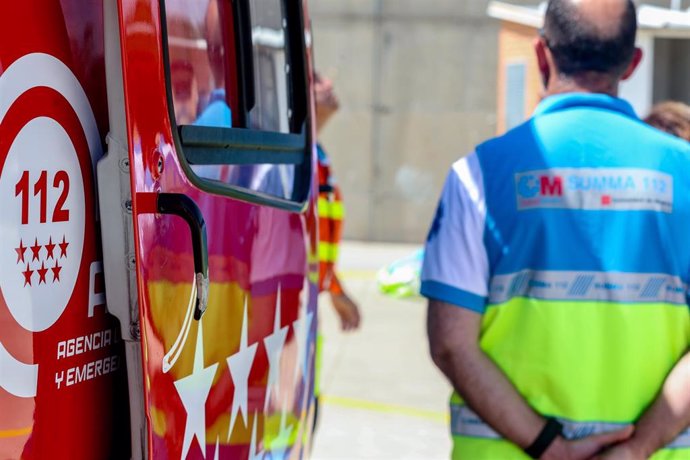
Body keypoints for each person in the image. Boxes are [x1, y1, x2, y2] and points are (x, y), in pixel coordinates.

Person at [422, 1, 690, 459]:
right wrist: (635, 448)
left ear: (542, 56)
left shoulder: (477, 175)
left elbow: (451, 343)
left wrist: (552, 448)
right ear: (633, 62)